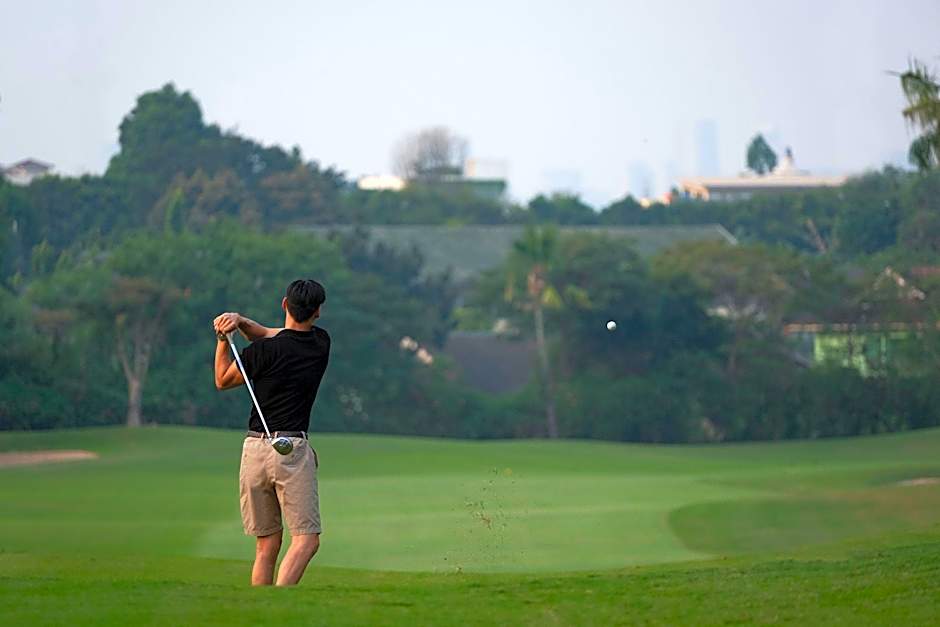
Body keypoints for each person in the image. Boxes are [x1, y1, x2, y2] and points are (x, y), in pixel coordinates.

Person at [212, 279, 330, 586]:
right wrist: (240, 322)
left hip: (254, 451)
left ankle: (262, 611)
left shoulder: (261, 351)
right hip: (291, 450)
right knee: (306, 541)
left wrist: (225, 339)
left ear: (284, 304)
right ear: (318, 312)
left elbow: (222, 379)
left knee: (266, 545)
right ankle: (278, 606)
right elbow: (273, 334)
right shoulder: (321, 343)